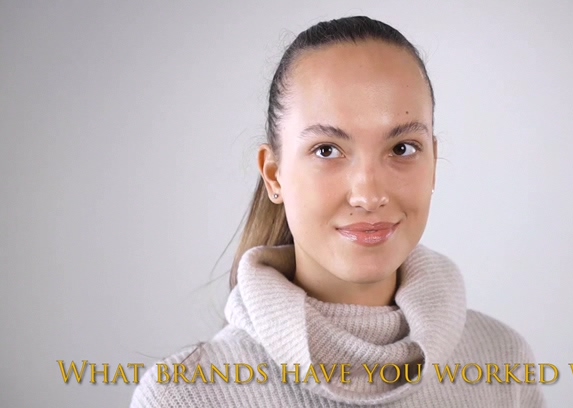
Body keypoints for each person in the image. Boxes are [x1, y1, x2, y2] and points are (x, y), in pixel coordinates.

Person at [131, 15, 546, 408]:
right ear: (274, 176)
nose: (368, 195)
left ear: (433, 164)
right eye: (327, 151)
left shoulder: (502, 363)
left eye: (402, 148)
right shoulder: (185, 396)